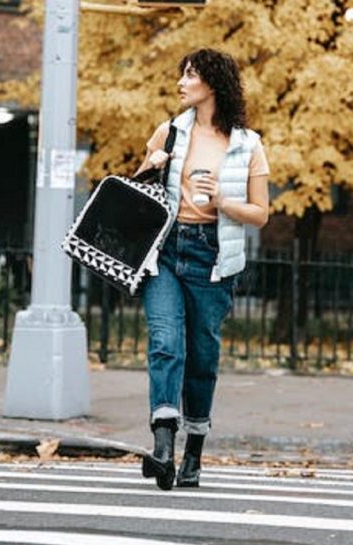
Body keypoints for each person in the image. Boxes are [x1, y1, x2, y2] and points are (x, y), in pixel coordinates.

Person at [134, 48, 270, 491]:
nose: (181, 83)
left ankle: (193, 451)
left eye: (190, 75)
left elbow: (260, 214)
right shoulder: (169, 132)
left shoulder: (247, 144)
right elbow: (136, 195)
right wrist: (150, 165)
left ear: (213, 83)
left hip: (213, 258)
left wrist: (223, 202)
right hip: (167, 250)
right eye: (182, 75)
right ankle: (161, 446)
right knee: (165, 343)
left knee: (202, 358)